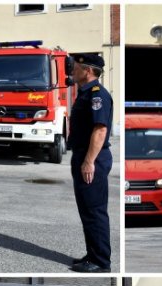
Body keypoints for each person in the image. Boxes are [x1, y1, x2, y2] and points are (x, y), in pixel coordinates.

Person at [67, 53, 113, 274]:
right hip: (83, 156)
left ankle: (101, 261)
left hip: (92, 158)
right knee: (87, 211)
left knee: (94, 211)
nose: (72, 70)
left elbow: (100, 129)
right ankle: (93, 254)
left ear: (87, 70)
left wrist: (88, 162)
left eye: (75, 67)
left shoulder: (97, 95)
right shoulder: (85, 93)